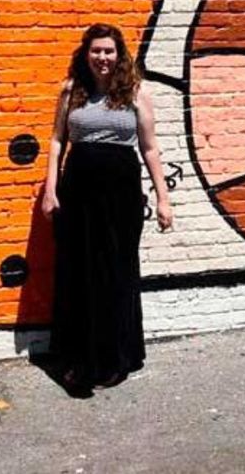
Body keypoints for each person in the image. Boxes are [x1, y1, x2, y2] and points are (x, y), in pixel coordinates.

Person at [42, 22, 173, 393]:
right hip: (78, 191)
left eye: (109, 51)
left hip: (120, 195)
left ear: (120, 55)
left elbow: (149, 148)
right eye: (96, 51)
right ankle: (78, 358)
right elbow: (56, 142)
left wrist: (163, 198)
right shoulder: (71, 91)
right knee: (78, 273)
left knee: (115, 273)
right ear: (86, 54)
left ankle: (115, 357)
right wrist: (50, 191)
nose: (102, 57)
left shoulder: (136, 92)